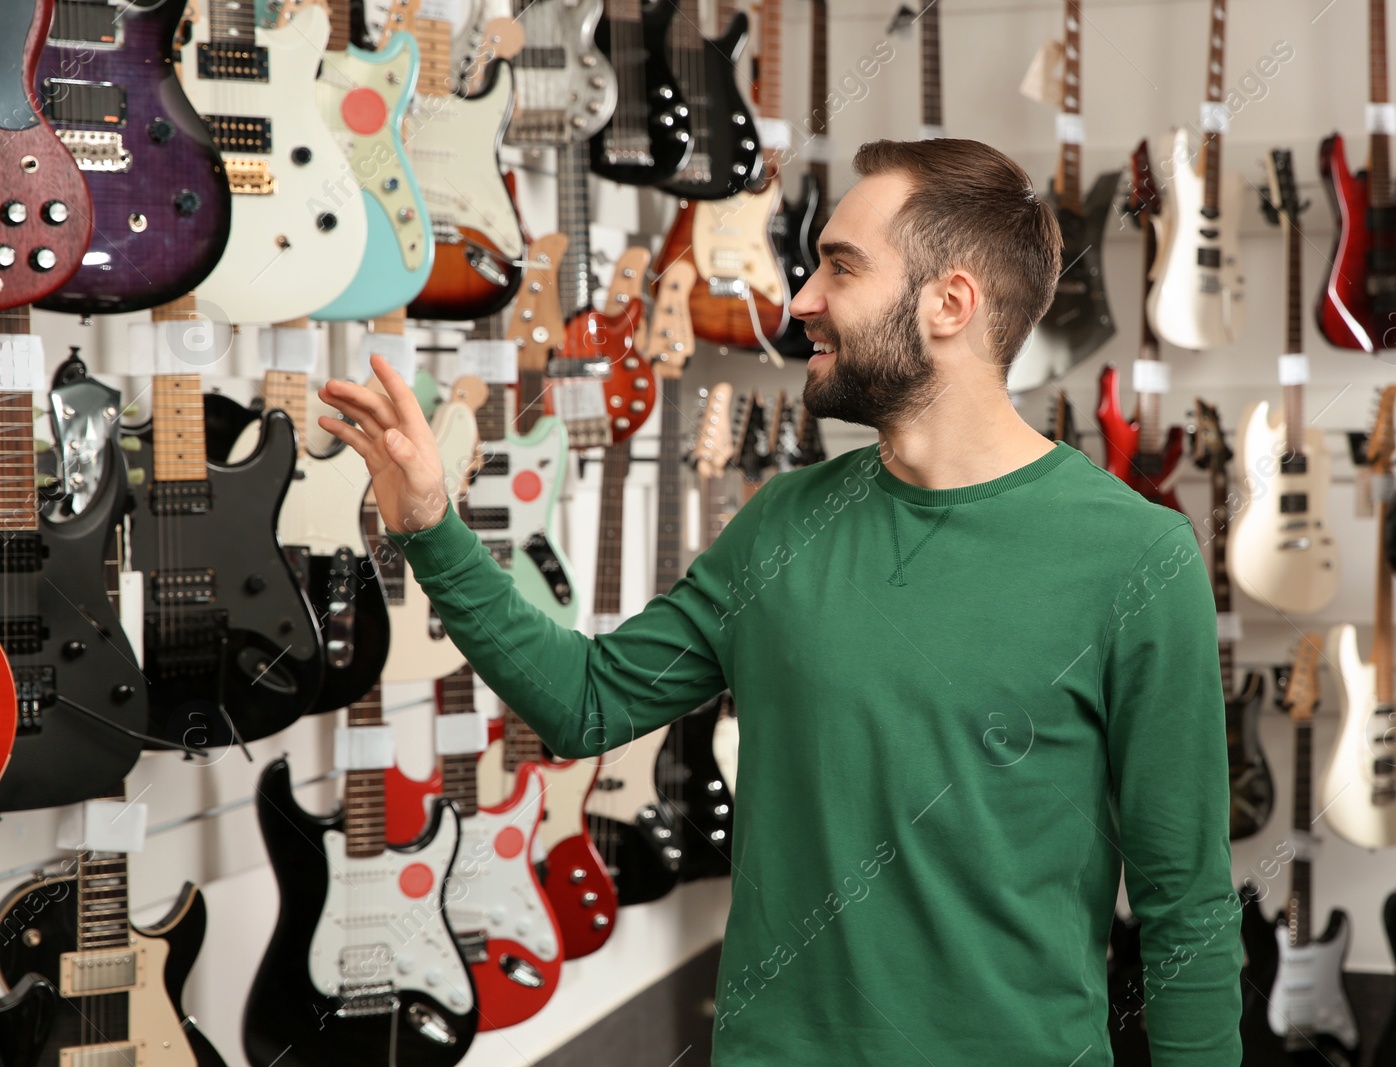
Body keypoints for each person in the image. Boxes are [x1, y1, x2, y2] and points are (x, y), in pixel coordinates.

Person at [319, 138, 1242, 1066]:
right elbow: (586, 700)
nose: (799, 299)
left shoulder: (1135, 557)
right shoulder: (784, 525)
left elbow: (1186, 906)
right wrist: (432, 527)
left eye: (840, 267)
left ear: (950, 303)